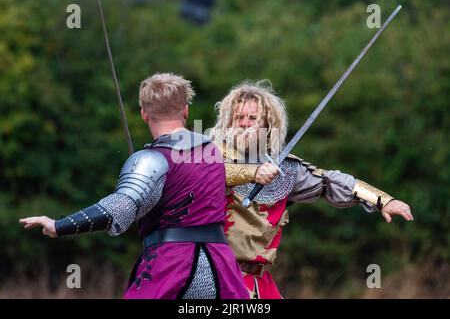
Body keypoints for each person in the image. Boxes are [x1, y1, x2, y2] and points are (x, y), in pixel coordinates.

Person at [19, 73, 249, 299]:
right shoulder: (213, 154)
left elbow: (117, 209)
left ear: (144, 114)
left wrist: (59, 226)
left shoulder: (151, 159)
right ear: (186, 110)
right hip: (221, 267)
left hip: (172, 267)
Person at [211, 80, 413, 299]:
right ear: (228, 122)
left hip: (258, 283)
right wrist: (252, 173)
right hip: (215, 277)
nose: (244, 124)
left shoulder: (285, 169)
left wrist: (381, 200)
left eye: (252, 118)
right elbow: (217, 176)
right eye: (238, 118)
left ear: (267, 126)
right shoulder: (208, 158)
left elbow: (329, 182)